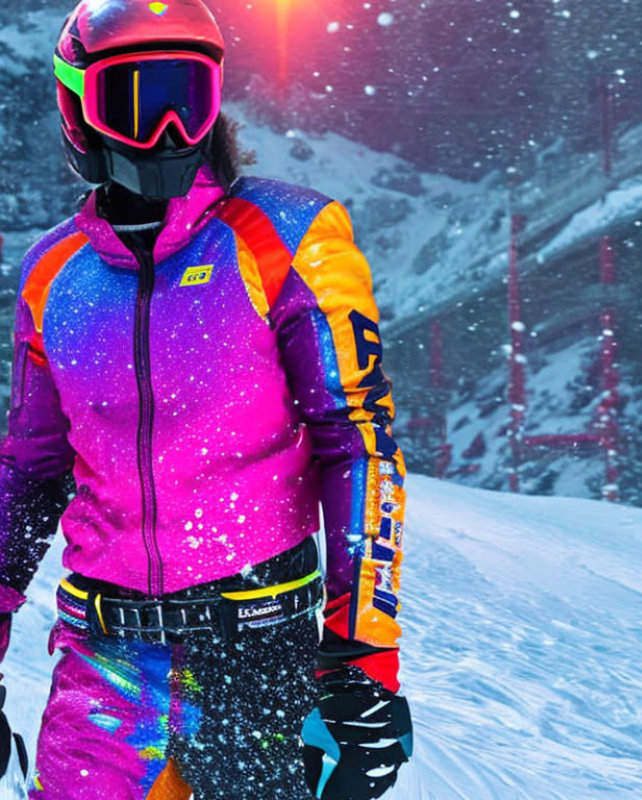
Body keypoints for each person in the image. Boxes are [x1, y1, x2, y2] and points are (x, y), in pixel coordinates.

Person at [0, 0, 411, 797]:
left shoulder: (286, 236)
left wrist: (364, 657)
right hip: (104, 668)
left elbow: (357, 440)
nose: (164, 133)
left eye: (185, 100)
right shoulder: (54, 274)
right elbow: (30, 471)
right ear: (77, 108)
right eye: (133, 101)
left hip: (261, 661)